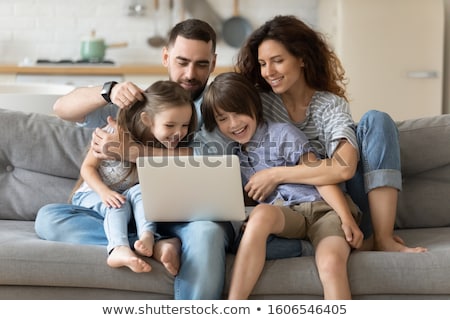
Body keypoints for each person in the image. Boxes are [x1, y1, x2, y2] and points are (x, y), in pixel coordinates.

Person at [35, 19, 236, 300]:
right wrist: (108, 90)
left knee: (207, 233)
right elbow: (62, 109)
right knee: (48, 218)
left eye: (202, 64)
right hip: (130, 215)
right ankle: (153, 244)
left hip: (186, 218)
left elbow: (207, 157)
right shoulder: (141, 104)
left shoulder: (217, 107)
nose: (190, 73)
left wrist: (133, 152)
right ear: (166, 56)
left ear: (213, 63)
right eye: (182, 61)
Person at [234, 15, 426, 253]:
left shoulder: (329, 105)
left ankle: (382, 238)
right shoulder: (259, 105)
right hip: (286, 212)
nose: (268, 71)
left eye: (277, 60)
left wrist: (274, 174)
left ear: (301, 59)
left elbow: (344, 168)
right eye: (262, 63)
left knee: (377, 119)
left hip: (342, 206)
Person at [201, 72, 363, 299]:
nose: (234, 123)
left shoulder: (282, 133)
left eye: (239, 113)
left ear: (254, 106)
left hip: (323, 211)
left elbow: (320, 176)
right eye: (223, 118)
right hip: (288, 216)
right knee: (260, 214)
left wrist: (346, 218)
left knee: (330, 263)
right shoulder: (235, 158)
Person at [71, 80, 196, 274]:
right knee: (113, 205)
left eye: (185, 125)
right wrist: (104, 193)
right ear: (146, 119)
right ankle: (121, 248)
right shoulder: (114, 132)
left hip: (131, 207)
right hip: (96, 195)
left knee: (141, 191)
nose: (178, 132)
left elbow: (192, 157)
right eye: (170, 125)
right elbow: (87, 168)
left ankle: (146, 236)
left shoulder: (167, 146)